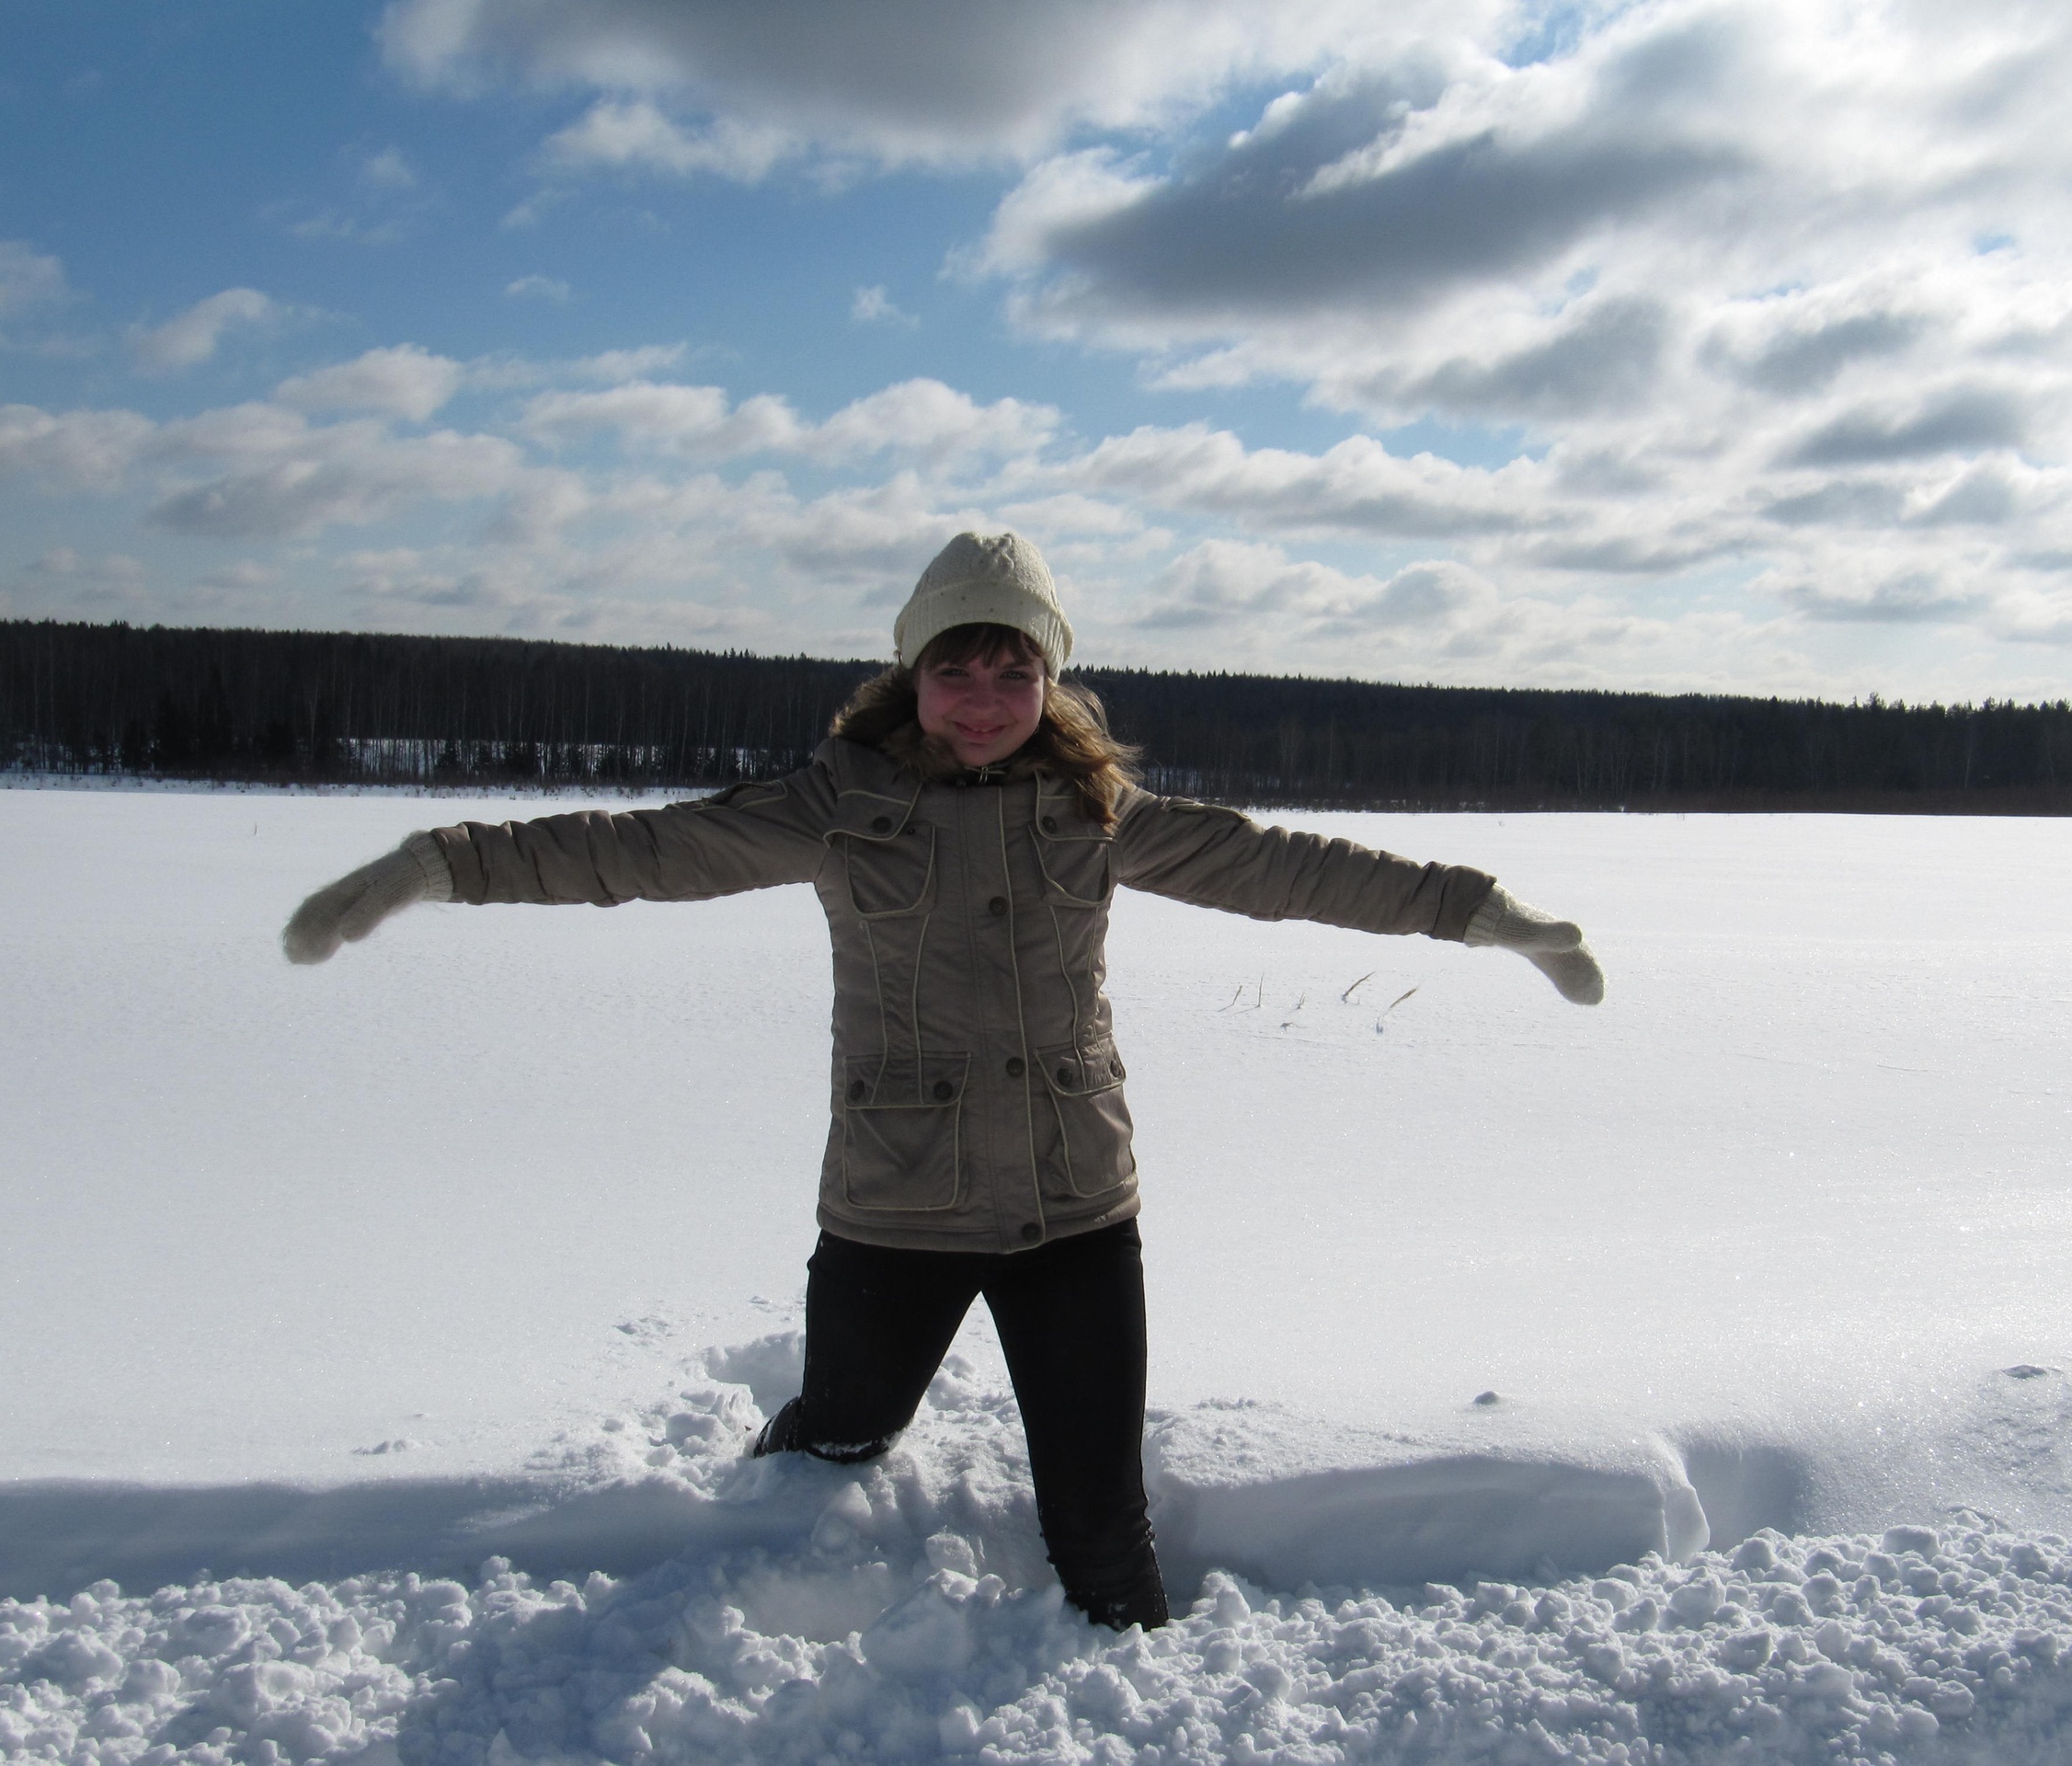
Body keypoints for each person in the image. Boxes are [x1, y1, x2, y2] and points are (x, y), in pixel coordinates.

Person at [281, 531, 1605, 1631]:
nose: (983, 697)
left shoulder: (1099, 815)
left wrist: (1482, 913)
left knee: (1103, 1525)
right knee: (839, 1437)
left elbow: (1288, 867)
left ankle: (1138, 1703)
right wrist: (436, 864)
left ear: (1051, 680)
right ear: (911, 676)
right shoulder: (831, 808)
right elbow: (631, 850)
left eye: (1013, 669)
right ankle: (745, 1550)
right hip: (895, 1206)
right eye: (955, 668)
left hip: (1076, 1205)